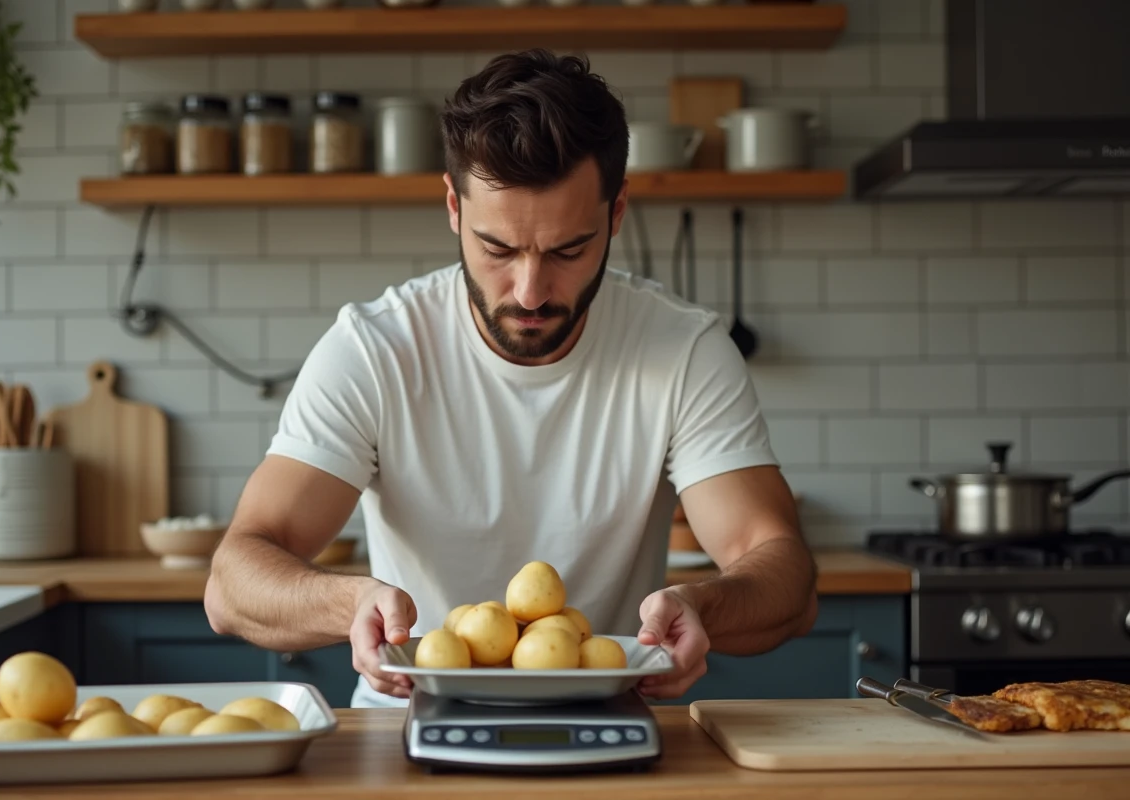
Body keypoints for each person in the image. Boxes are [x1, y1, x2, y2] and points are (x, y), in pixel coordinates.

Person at [204, 49, 818, 709]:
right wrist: (352, 600)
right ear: (453, 208)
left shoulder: (685, 350)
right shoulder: (374, 349)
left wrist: (704, 606)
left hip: (605, 722)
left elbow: (783, 573)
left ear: (614, 216)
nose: (529, 292)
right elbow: (231, 585)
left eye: (567, 250)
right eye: (498, 249)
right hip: (403, 728)